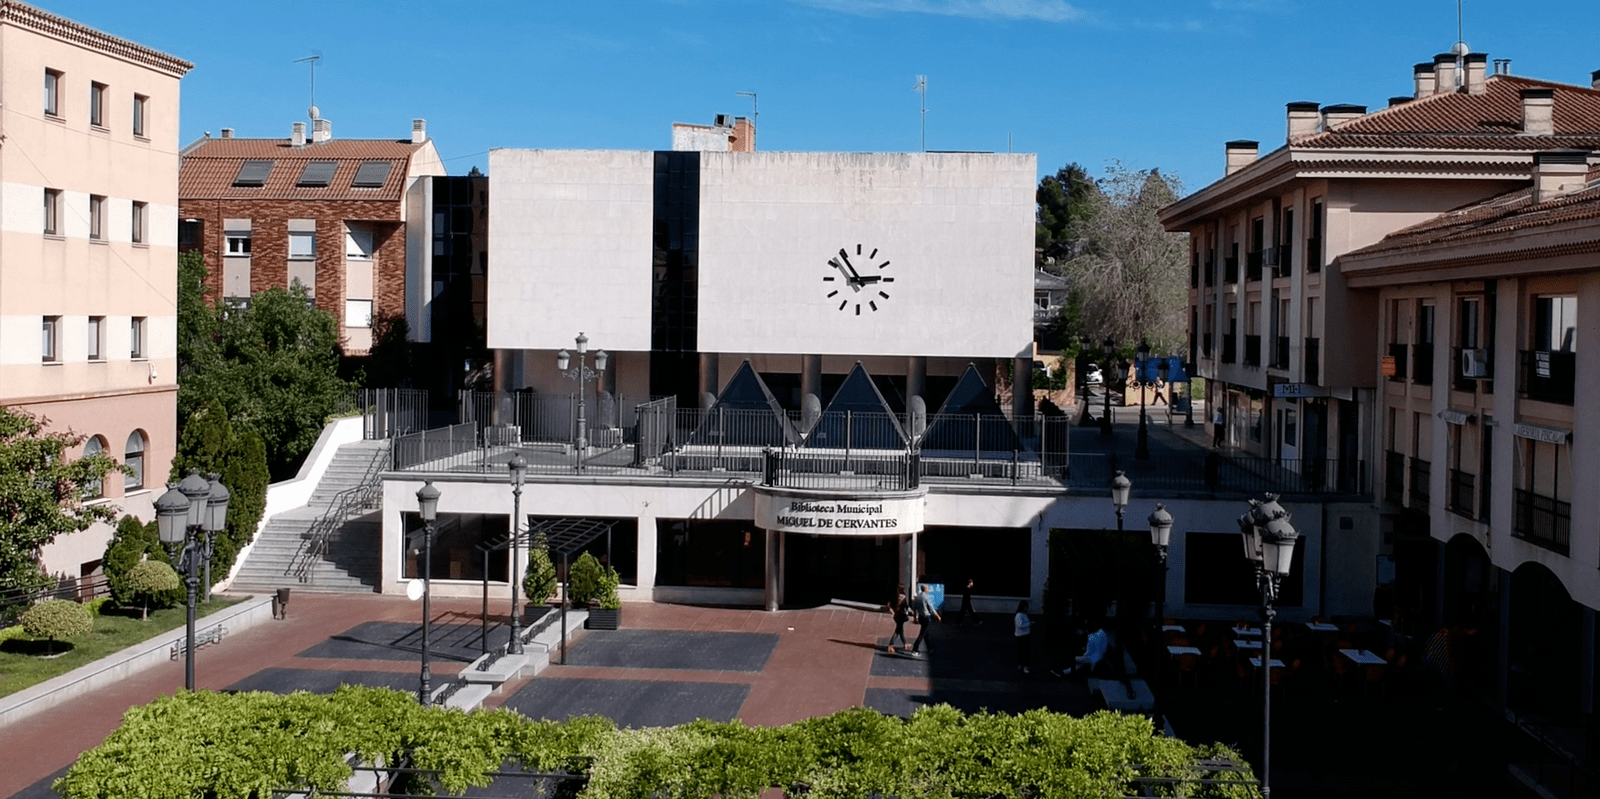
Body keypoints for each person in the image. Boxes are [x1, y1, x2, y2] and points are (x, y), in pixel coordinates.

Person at [909, 583, 941, 655]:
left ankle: (929, 647)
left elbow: (915, 609)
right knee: (922, 634)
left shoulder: (917, 597)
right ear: (925, 589)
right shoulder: (926, 597)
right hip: (926, 617)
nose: (929, 590)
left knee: (926, 633)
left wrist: (915, 618)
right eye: (928, 589)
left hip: (921, 617)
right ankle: (915, 649)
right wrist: (937, 616)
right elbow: (931, 607)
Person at [886, 586, 910, 654]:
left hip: (896, 615)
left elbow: (890, 605)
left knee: (900, 630)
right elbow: (906, 607)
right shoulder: (903, 597)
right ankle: (891, 644)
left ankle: (905, 643)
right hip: (901, 616)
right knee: (897, 631)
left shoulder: (895, 596)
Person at [1013, 601, 1032, 674]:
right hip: (1021, 636)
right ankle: (1023, 666)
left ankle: (1022, 665)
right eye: (1025, 607)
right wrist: (1029, 624)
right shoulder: (1019, 615)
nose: (1026, 608)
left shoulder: (1023, 614)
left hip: (1025, 635)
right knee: (1023, 651)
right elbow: (1020, 625)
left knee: (1023, 651)